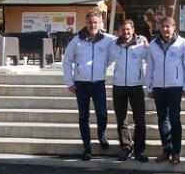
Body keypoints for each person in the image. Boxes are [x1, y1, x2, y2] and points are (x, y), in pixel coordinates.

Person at [62, 10, 116, 161]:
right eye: (90, 22)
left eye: (95, 23)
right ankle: (87, 147)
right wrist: (69, 82)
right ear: (85, 23)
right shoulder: (76, 41)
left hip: (99, 83)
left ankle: (102, 135)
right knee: (83, 116)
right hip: (81, 84)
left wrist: (141, 38)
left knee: (102, 113)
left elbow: (126, 38)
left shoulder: (108, 39)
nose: (92, 25)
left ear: (100, 24)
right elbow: (67, 61)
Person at [146, 16, 185, 165]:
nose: (165, 30)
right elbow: (149, 67)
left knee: (174, 119)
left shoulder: (182, 44)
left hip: (175, 87)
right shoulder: (153, 45)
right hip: (159, 87)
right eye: (163, 27)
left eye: (168, 27)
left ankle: (176, 152)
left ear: (174, 28)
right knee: (162, 120)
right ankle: (166, 150)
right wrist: (149, 86)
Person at [108, 19, 149, 162]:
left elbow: (151, 60)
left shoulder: (141, 44)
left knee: (140, 120)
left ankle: (140, 150)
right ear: (119, 31)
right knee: (121, 120)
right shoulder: (113, 45)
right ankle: (126, 148)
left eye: (128, 29)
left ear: (133, 29)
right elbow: (105, 60)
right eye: (122, 30)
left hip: (136, 86)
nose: (125, 32)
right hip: (119, 87)